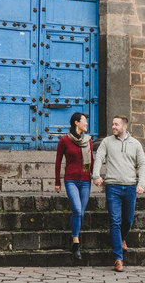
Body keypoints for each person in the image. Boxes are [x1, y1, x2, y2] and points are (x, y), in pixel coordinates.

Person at [92, 115, 145, 272]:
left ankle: (122, 238)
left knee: (128, 220)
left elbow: (142, 164)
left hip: (130, 187)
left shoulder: (135, 144)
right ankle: (118, 259)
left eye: (116, 124)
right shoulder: (107, 142)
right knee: (115, 221)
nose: (113, 127)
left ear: (125, 127)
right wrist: (96, 175)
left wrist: (141, 183)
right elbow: (99, 158)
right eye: (113, 124)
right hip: (112, 187)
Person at [54, 111, 94, 261]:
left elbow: (91, 160)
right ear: (76, 123)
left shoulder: (88, 140)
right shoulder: (64, 141)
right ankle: (76, 242)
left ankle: (73, 237)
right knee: (77, 209)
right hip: (70, 180)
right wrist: (57, 182)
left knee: (81, 213)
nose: (87, 124)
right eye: (84, 121)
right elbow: (58, 162)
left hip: (85, 181)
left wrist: (95, 176)